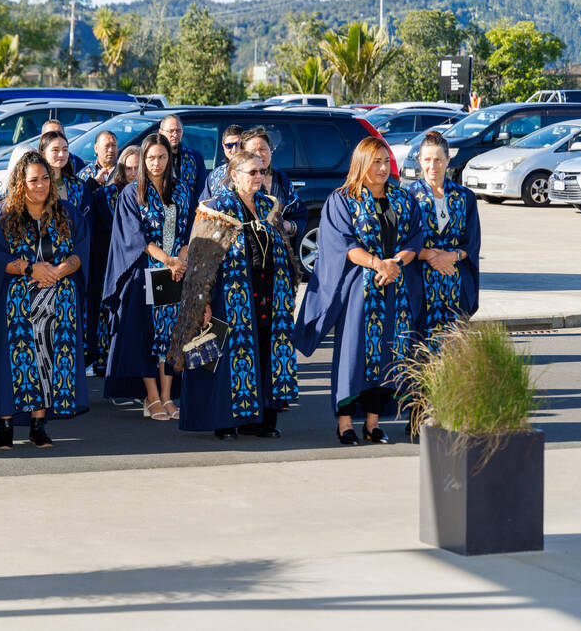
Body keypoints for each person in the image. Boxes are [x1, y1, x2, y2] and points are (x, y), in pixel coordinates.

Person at [295, 137, 423, 445]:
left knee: (388, 355)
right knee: (353, 356)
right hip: (359, 292)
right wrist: (378, 264)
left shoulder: (403, 198)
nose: (382, 168)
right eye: (375, 162)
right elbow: (342, 244)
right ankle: (345, 425)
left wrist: (395, 263)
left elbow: (416, 238)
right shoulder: (342, 199)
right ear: (361, 163)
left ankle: (372, 424)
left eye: (385, 161)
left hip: (395, 291)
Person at [0, 150, 90, 449]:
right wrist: (31, 268)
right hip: (14, 304)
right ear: (20, 182)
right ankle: (5, 426)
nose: (41, 185)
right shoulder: (1, 215)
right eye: (33, 180)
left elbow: (81, 251)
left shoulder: (67, 213)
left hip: (57, 301)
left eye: (45, 178)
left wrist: (58, 271)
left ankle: (37, 426)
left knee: (48, 359)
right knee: (9, 364)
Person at [178, 151, 299, 440]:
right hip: (230, 295)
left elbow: (283, 247)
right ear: (234, 175)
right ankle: (225, 421)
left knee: (265, 352)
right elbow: (200, 260)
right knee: (228, 358)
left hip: (268, 294)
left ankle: (258, 420)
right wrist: (203, 301)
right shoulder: (217, 208)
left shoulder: (268, 206)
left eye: (262, 172)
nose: (259, 177)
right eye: (252, 172)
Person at [103, 133, 192, 420]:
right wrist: (167, 260)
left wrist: (181, 258)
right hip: (145, 273)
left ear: (169, 158)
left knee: (171, 336)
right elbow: (135, 237)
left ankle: (167, 396)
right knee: (147, 337)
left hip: (175, 273)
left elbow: (189, 229)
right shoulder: (132, 193)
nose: (156, 163)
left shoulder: (181, 190)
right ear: (143, 159)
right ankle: (151, 397)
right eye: (151, 157)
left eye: (162, 157)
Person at [408, 131, 481, 342]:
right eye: (427, 160)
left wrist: (451, 256)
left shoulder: (465, 197)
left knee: (453, 345)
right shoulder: (408, 197)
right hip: (420, 282)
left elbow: (472, 242)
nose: (433, 166)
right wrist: (429, 255)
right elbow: (401, 241)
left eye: (438, 160)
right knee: (421, 345)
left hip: (455, 279)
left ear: (448, 160)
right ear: (420, 161)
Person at [88, 145, 138, 372]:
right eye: (129, 168)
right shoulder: (104, 195)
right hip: (108, 261)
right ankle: (104, 359)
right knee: (107, 312)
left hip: (140, 263)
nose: (133, 173)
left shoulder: (151, 193)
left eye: (137, 168)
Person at [39, 130, 92, 217]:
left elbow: (87, 219)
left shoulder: (78, 185)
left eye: (65, 150)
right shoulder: (35, 185)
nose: (61, 154)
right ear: (43, 154)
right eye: (55, 150)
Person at [158, 114, 207, 207]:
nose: (175, 135)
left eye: (178, 131)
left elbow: (202, 192)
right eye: (171, 131)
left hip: (190, 211)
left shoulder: (195, 157)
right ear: (160, 132)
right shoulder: (154, 158)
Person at [198, 124, 243, 201]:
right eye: (229, 145)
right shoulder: (214, 175)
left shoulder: (256, 172)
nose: (234, 149)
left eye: (238, 144)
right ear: (223, 146)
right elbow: (204, 204)